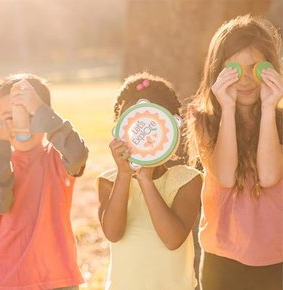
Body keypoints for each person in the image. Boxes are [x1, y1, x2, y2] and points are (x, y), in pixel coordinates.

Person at [185, 14, 283, 290]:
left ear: (271, 68)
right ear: (218, 72)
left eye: (255, 67)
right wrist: (226, 108)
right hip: (222, 260)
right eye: (234, 69)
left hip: (276, 259)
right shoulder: (204, 120)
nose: (246, 79)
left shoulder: (279, 121)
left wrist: (268, 109)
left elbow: (269, 175)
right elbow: (226, 176)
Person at [97, 72, 202, 290]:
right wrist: (125, 175)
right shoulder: (109, 182)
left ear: (172, 128)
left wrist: (145, 179)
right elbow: (113, 233)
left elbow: (173, 239)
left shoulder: (187, 180)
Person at [0, 73, 89, 290]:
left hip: (57, 279)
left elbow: (78, 154)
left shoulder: (56, 158)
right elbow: (0, 202)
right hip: (4, 280)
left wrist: (42, 111)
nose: (21, 124)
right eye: (10, 117)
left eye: (30, 114)